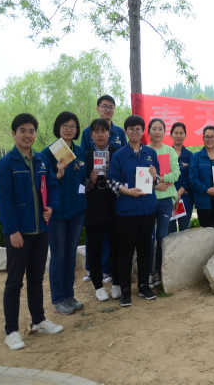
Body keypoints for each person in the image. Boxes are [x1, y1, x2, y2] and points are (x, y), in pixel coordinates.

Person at [0, 113, 63, 350]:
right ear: (14, 133)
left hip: (41, 230)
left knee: (36, 278)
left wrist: (51, 207)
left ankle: (38, 320)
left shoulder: (42, 160)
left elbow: (52, 188)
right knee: (14, 282)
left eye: (31, 131)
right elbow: (3, 201)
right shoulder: (6, 164)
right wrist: (12, 230)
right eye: (22, 130)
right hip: (19, 233)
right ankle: (11, 331)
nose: (28, 135)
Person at [107, 115, 159, 307]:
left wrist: (155, 176)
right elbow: (111, 180)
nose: (135, 132)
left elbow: (156, 179)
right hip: (127, 210)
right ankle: (125, 290)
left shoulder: (150, 153)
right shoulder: (119, 155)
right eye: (131, 129)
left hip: (148, 209)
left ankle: (144, 285)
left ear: (143, 131)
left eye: (138, 129)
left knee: (145, 248)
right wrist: (127, 191)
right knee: (126, 251)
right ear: (126, 131)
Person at [42, 111, 87, 315]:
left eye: (73, 126)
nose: (69, 129)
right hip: (57, 213)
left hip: (76, 211)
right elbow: (43, 184)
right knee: (58, 257)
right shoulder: (48, 153)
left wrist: (87, 185)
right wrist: (58, 174)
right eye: (65, 126)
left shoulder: (80, 152)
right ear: (58, 128)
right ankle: (58, 299)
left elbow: (83, 180)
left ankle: (69, 296)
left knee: (70, 256)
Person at [80, 95, 125, 284]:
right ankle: (92, 269)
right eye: (104, 106)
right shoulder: (86, 135)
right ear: (98, 108)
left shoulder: (119, 133)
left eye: (111, 107)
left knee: (112, 235)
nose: (107, 109)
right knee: (94, 235)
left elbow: (124, 160)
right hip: (93, 195)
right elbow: (82, 160)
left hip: (112, 195)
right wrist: (88, 180)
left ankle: (108, 270)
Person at [84, 118, 122, 302]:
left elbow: (125, 178)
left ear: (109, 133)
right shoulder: (85, 156)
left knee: (116, 246)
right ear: (91, 135)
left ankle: (117, 283)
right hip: (93, 208)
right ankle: (98, 286)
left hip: (114, 206)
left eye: (103, 131)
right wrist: (90, 181)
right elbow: (79, 187)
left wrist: (112, 178)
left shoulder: (117, 153)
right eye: (96, 132)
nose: (100, 135)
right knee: (95, 248)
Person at [147, 119, 180, 288]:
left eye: (160, 128)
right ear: (149, 131)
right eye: (154, 128)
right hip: (148, 198)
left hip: (166, 200)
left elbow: (175, 174)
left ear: (164, 131)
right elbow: (140, 176)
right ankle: (148, 273)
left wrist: (158, 179)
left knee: (162, 236)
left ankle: (159, 271)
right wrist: (155, 185)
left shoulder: (170, 151)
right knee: (149, 237)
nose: (157, 132)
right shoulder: (144, 151)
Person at [169, 122, 193, 234]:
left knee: (184, 232)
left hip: (185, 198)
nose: (178, 135)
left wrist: (179, 193)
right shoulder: (166, 154)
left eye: (181, 133)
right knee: (170, 233)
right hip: (169, 198)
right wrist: (173, 194)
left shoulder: (190, 156)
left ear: (185, 135)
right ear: (171, 135)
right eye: (176, 133)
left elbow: (190, 177)